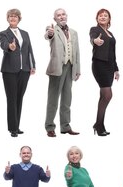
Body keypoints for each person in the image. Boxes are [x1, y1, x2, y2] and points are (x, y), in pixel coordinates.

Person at [44, 8, 81, 137]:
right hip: (57, 69)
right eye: (58, 15)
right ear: (55, 18)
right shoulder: (52, 29)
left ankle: (65, 126)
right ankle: (49, 126)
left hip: (70, 67)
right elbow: (48, 36)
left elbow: (77, 52)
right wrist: (50, 33)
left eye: (63, 14)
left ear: (67, 16)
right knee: (53, 99)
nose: (61, 17)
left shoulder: (74, 32)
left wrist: (78, 69)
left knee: (67, 99)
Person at [0, 8, 35, 138]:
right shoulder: (3, 33)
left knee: (19, 97)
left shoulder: (25, 33)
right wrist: (10, 46)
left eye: (15, 16)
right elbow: (3, 44)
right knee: (12, 99)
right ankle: (12, 128)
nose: (13, 18)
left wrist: (32, 65)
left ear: (19, 18)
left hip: (24, 70)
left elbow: (29, 50)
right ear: (7, 19)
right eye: (10, 16)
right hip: (9, 70)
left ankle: (17, 126)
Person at [90, 8, 119, 136]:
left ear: (109, 19)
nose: (102, 17)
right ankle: (98, 124)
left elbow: (113, 53)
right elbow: (93, 38)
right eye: (100, 16)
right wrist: (95, 41)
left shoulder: (111, 33)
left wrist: (116, 69)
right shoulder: (95, 30)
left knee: (103, 96)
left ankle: (99, 124)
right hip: (99, 65)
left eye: (105, 15)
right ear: (97, 19)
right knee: (107, 95)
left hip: (110, 66)